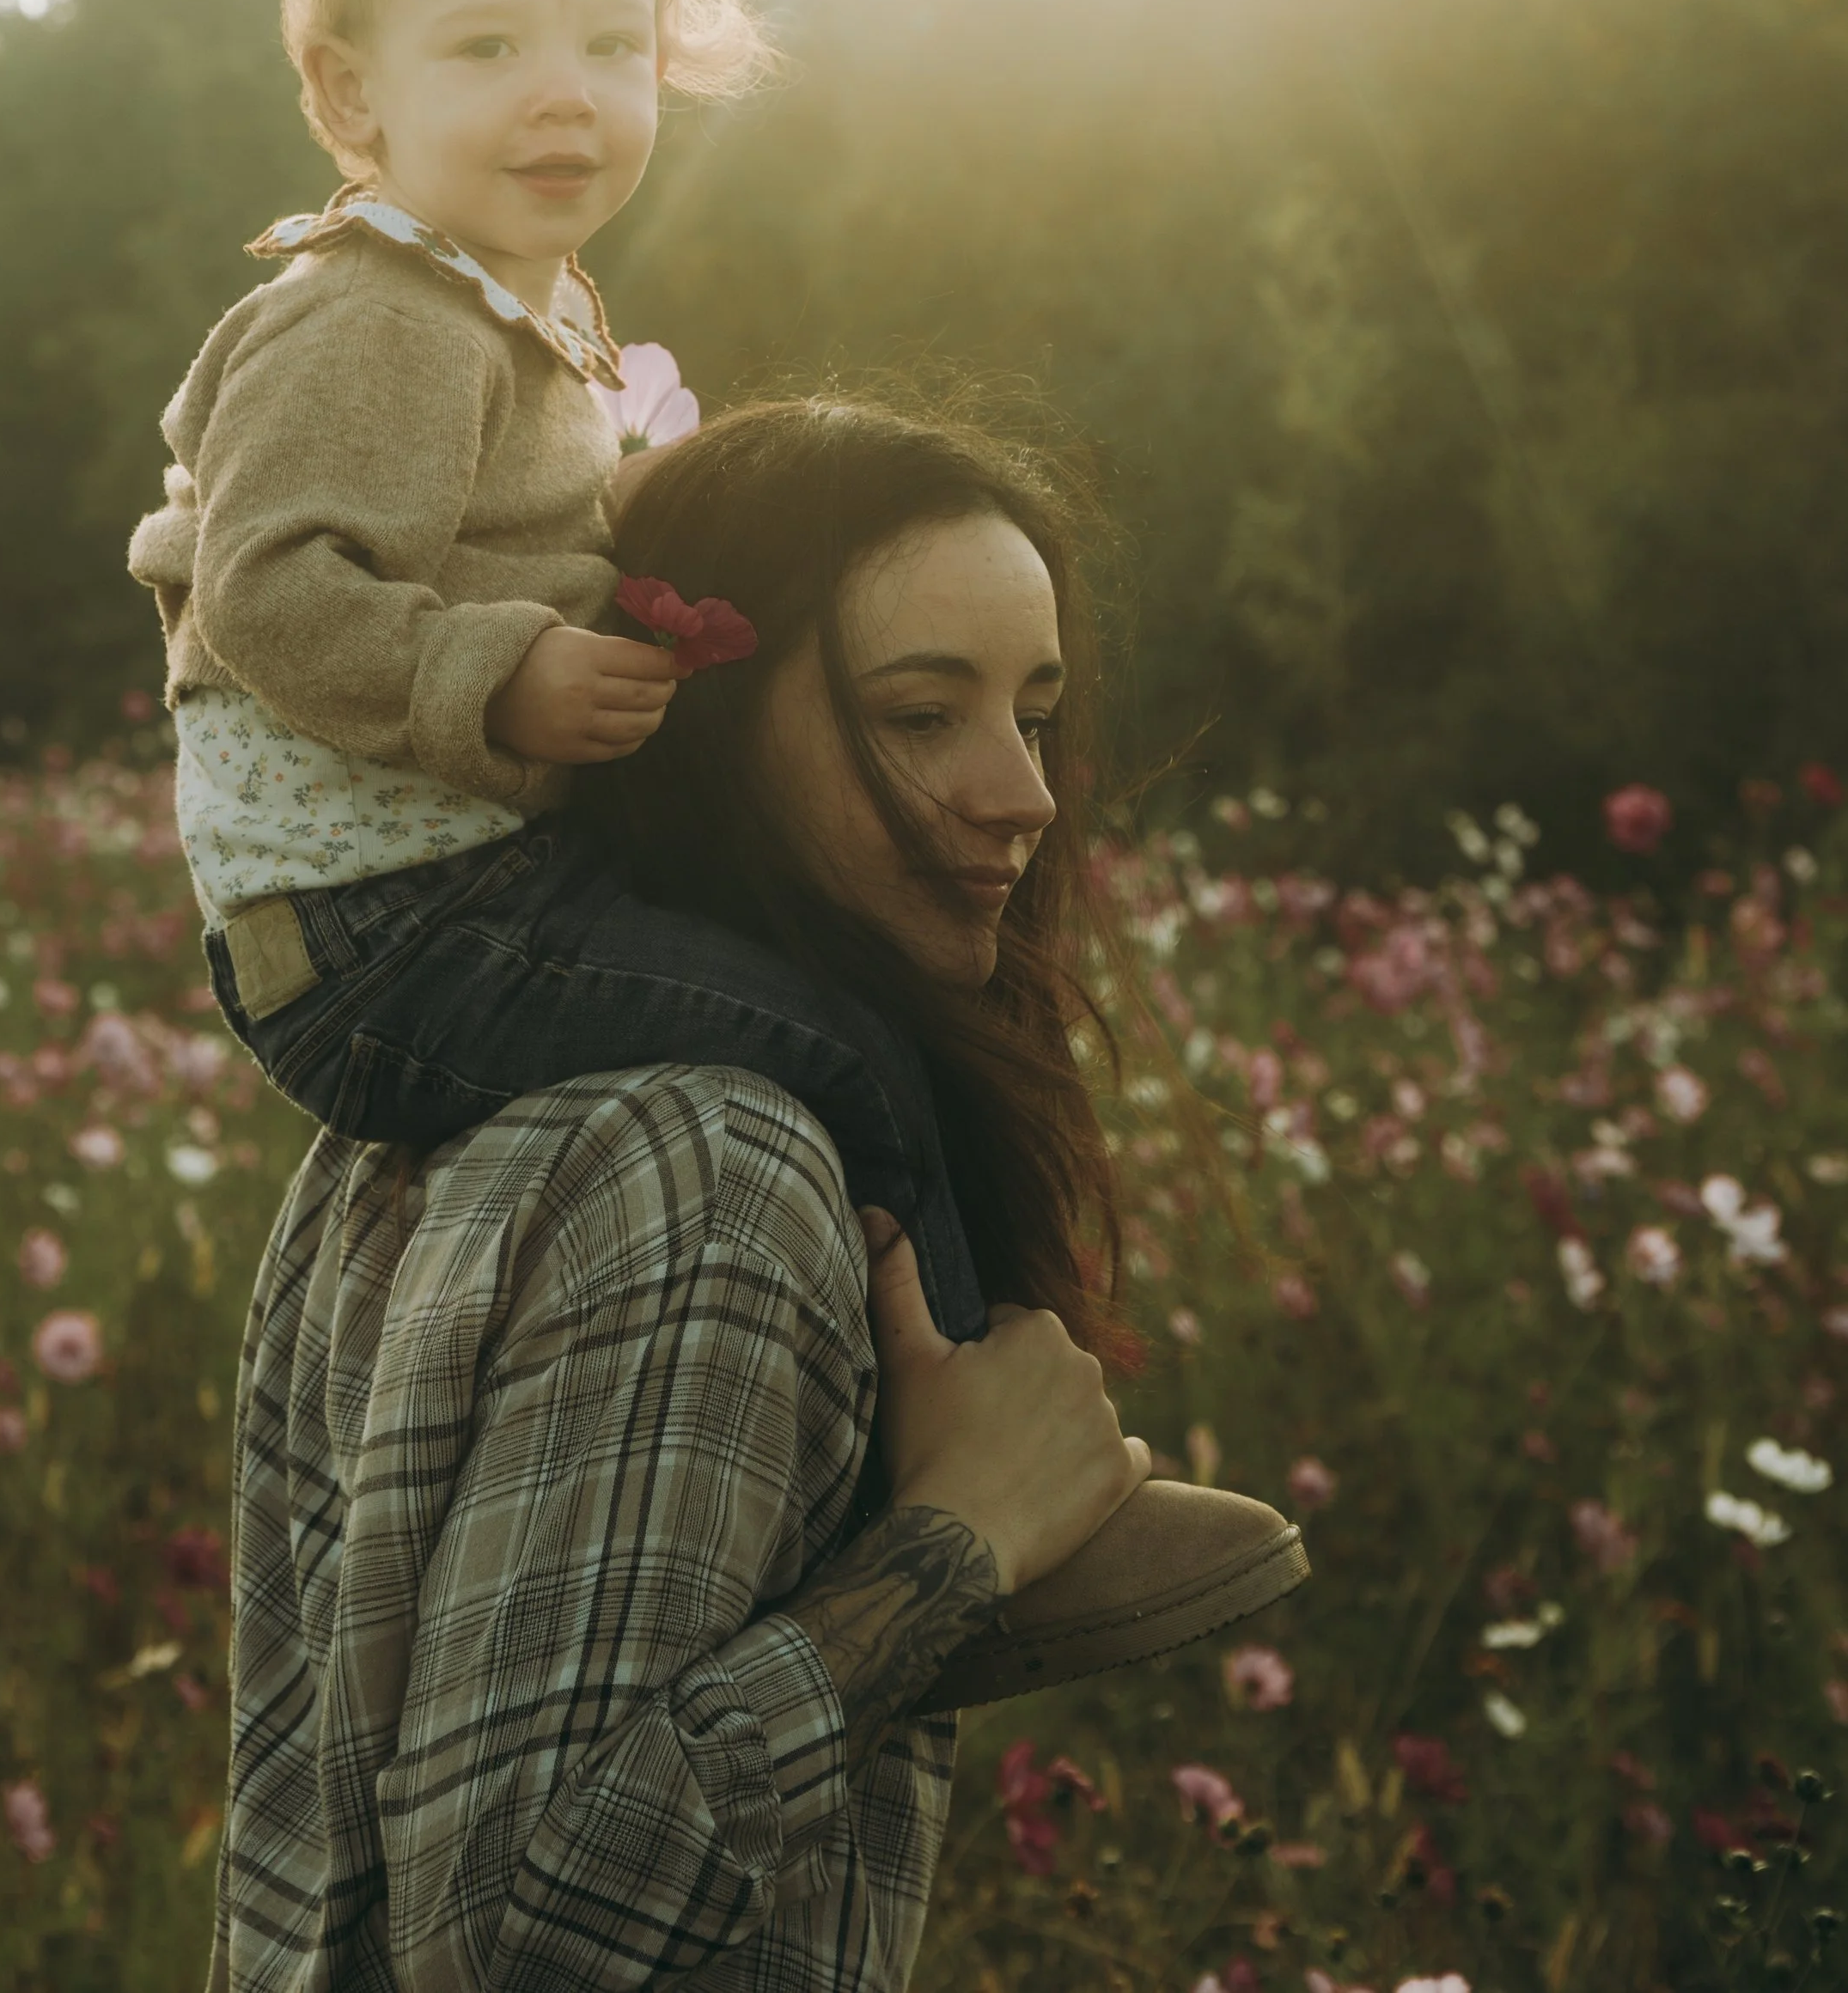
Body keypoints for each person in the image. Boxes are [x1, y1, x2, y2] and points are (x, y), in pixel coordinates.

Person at [212, 398, 1307, 1989]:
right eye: (923, 714)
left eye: (1036, 712)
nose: (1027, 792)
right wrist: (955, 1545)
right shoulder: (717, 1166)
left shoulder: (466, 1101)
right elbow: (520, 1953)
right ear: (702, 725)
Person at [128, 0, 981, 1332]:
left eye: (612, 42)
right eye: (489, 44)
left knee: (835, 938)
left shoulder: (519, 308)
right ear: (350, 95)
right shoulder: (373, 318)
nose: (567, 90)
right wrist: (504, 674)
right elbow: (268, 589)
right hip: (386, 932)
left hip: (468, 880)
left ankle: (960, 1352)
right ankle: (966, 1392)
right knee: (843, 1040)